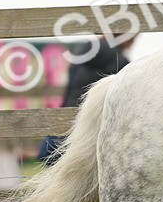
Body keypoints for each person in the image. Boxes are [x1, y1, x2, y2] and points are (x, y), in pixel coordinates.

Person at [37, 34, 136, 165]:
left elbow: (72, 82)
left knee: (51, 154)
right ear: (126, 38)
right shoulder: (121, 62)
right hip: (92, 118)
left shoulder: (88, 50)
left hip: (71, 109)